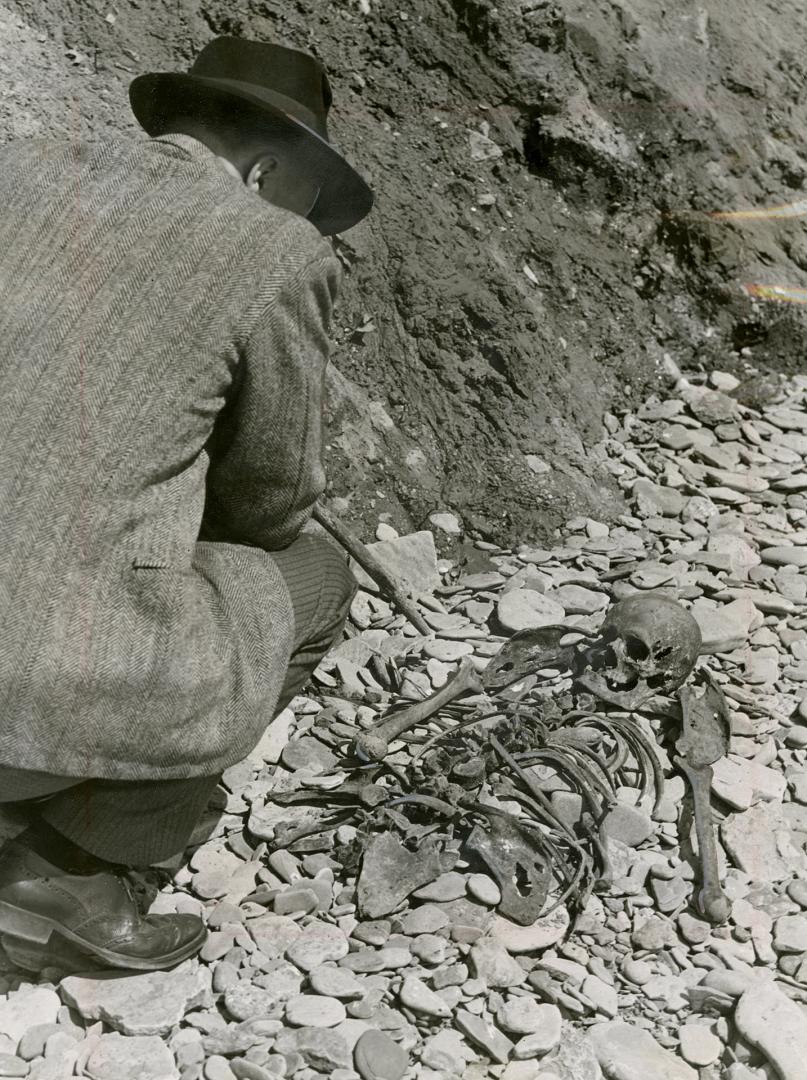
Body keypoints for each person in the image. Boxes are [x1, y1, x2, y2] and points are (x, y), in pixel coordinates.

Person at [0, 37, 373, 971]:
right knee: (311, 578)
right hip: (23, 700)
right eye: (302, 196)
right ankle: (70, 868)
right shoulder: (277, 250)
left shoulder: (17, 166)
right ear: (263, 170)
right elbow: (272, 502)